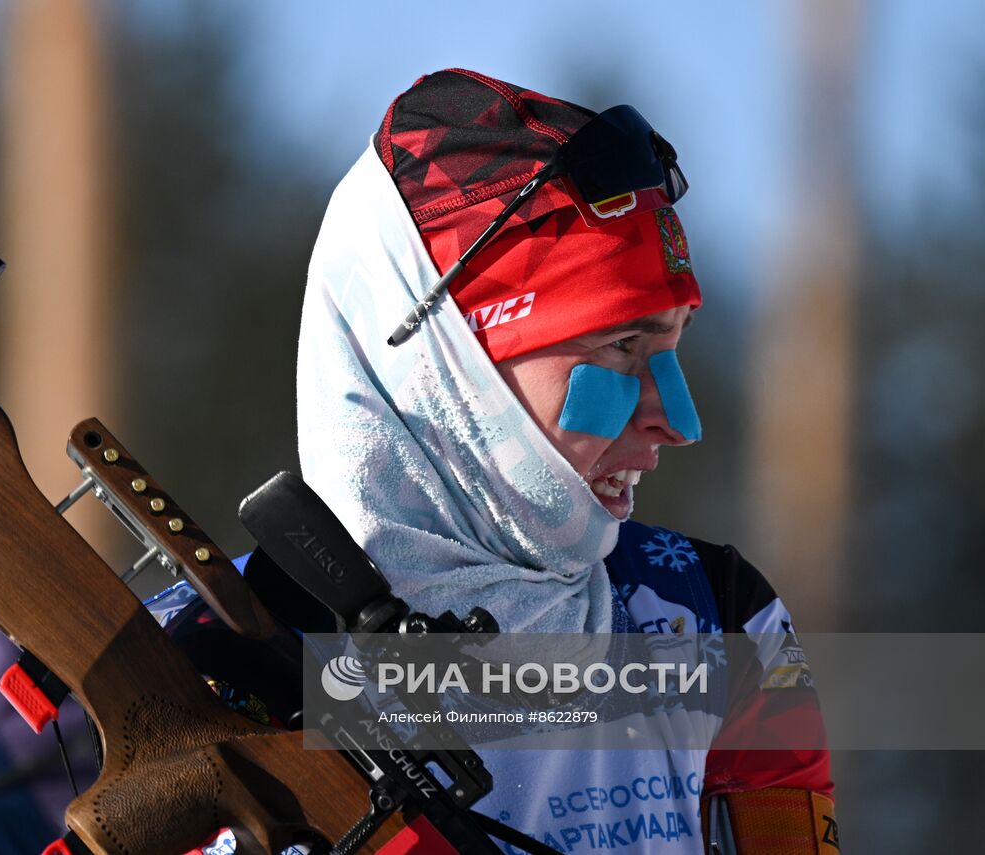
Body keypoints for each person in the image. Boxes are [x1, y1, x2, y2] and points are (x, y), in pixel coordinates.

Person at [292, 68, 836, 853]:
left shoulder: (713, 617)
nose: (675, 420)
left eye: (672, 344)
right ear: (447, 365)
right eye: (622, 345)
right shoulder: (224, 652)